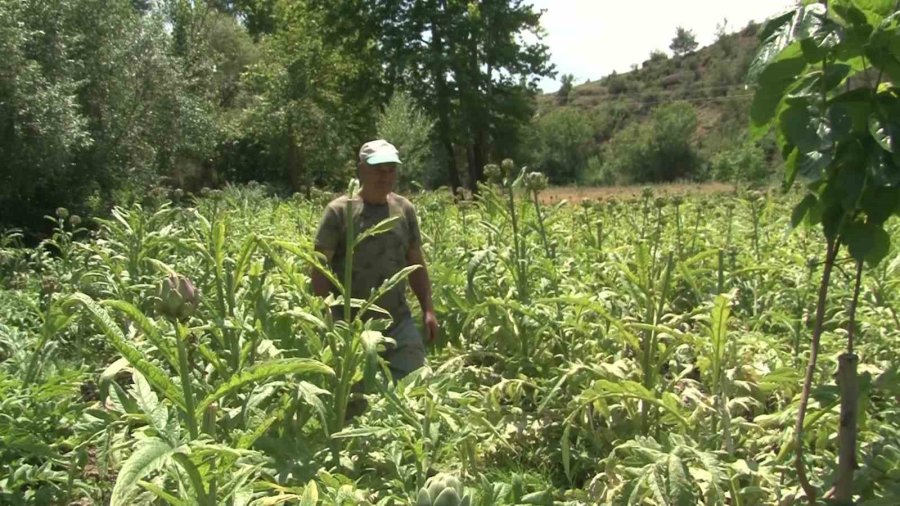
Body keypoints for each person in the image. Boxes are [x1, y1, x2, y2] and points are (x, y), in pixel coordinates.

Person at [310, 139, 438, 380]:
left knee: (418, 385)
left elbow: (416, 262)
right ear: (361, 170)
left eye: (391, 170)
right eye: (378, 170)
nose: (386, 177)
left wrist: (428, 309)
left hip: (398, 320)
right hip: (350, 324)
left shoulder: (404, 209)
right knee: (356, 398)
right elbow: (318, 268)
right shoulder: (340, 211)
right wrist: (329, 318)